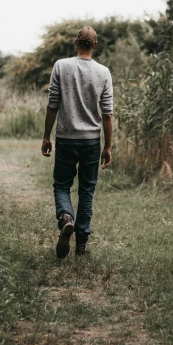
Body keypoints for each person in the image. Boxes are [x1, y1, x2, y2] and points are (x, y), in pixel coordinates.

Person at [41, 26, 113, 259]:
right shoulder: (103, 72)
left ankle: (65, 219)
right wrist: (108, 146)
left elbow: (53, 104)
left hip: (65, 138)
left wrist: (46, 136)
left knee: (62, 185)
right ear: (95, 45)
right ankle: (81, 246)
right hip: (92, 141)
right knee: (86, 191)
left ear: (76, 42)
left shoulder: (61, 66)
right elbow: (107, 114)